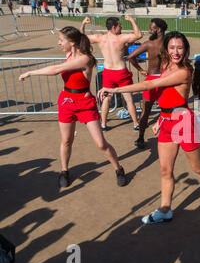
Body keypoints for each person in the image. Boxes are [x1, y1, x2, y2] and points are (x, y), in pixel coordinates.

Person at [98, 31, 200, 223]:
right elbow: (166, 98)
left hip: (183, 123)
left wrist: (114, 89)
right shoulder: (166, 66)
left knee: (198, 167)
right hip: (166, 122)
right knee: (165, 170)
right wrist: (160, 119)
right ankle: (165, 210)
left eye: (180, 47)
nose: (176, 51)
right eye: (172, 47)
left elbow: (152, 84)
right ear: (166, 49)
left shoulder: (183, 71)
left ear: (186, 50)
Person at [18, 26, 127, 188]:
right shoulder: (69, 54)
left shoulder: (85, 59)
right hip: (66, 102)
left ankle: (119, 169)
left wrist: (31, 73)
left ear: (73, 43)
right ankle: (64, 171)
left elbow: (56, 70)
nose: (59, 43)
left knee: (100, 143)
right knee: (66, 140)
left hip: (85, 103)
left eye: (62, 40)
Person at [81, 16, 142, 130]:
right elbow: (138, 35)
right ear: (114, 27)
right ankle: (135, 123)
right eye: (120, 25)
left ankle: (103, 124)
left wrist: (83, 24)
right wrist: (132, 20)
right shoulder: (121, 38)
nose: (121, 27)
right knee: (128, 98)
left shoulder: (100, 38)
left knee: (106, 98)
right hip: (120, 72)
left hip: (108, 72)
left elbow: (81, 38)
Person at [128, 18, 168, 149]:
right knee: (167, 110)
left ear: (158, 30)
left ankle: (140, 138)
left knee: (146, 111)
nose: (149, 30)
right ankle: (168, 136)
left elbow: (130, 56)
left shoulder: (150, 44)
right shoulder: (170, 43)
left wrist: (140, 69)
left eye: (151, 28)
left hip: (152, 79)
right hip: (165, 78)